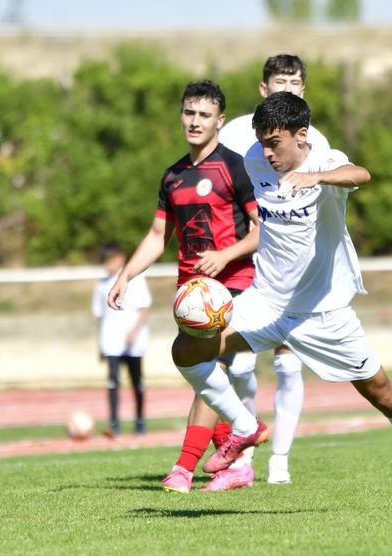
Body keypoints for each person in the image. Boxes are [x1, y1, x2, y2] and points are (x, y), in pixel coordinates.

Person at [165, 91, 392, 509]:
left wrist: (317, 178)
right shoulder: (255, 159)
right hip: (266, 302)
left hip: (324, 314)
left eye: (275, 142)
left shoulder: (326, 162)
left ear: (302, 135)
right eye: (262, 141)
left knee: (383, 393)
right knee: (186, 350)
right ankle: (245, 426)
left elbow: (360, 174)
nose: (267, 152)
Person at [107, 80, 265, 493]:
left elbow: (259, 233)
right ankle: (236, 453)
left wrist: (225, 255)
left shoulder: (235, 168)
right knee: (201, 373)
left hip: (233, 285)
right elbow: (158, 236)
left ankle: (183, 467)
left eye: (204, 115)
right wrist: (125, 275)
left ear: (220, 121)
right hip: (190, 292)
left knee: (211, 366)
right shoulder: (173, 175)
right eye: (189, 113)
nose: (195, 122)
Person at [218, 53, 330, 485]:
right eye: (280, 81)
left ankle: (279, 461)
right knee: (238, 362)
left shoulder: (313, 140)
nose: (288, 87)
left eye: (296, 82)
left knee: (287, 363)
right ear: (263, 88)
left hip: (294, 269)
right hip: (247, 255)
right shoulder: (236, 134)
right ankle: (244, 454)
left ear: (304, 89)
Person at [91, 241, 151, 437]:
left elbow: (144, 307)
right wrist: (100, 344)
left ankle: (140, 421)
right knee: (112, 381)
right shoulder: (101, 284)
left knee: (137, 381)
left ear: (121, 258)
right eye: (104, 261)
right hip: (111, 340)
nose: (108, 265)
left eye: (111, 260)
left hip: (133, 341)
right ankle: (114, 423)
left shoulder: (136, 279)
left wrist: (134, 331)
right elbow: (100, 315)